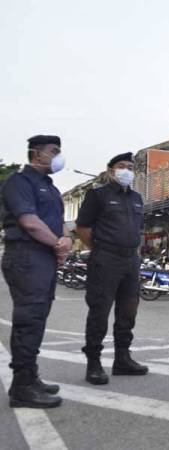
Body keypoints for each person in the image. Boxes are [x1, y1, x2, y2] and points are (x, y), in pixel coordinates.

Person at [1, 135, 72, 408]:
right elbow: (30, 222)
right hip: (26, 256)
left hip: (44, 257)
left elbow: (60, 223)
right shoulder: (20, 182)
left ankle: (31, 376)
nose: (58, 156)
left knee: (38, 318)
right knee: (29, 320)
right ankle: (21, 387)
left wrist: (65, 240)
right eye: (54, 151)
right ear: (37, 153)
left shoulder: (50, 187)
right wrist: (58, 244)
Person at [75, 152, 148, 385]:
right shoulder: (98, 195)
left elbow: (138, 230)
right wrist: (100, 249)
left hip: (130, 261)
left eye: (129, 167)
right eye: (121, 166)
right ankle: (94, 364)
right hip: (105, 259)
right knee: (99, 311)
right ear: (110, 171)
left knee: (128, 311)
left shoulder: (137, 198)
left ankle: (122, 359)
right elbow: (82, 227)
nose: (126, 170)